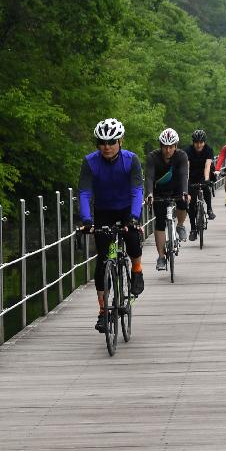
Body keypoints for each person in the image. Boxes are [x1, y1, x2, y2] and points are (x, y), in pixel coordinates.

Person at [79, 118, 144, 333]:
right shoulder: (90, 162)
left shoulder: (131, 160)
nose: (106, 147)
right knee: (103, 260)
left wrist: (134, 217)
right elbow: (85, 192)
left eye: (111, 142)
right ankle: (103, 312)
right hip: (104, 211)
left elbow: (137, 191)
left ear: (120, 141)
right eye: (102, 142)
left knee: (133, 239)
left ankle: (137, 270)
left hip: (127, 208)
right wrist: (87, 220)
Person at [145, 128, 189, 271]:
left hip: (177, 188)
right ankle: (161, 257)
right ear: (160, 146)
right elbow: (150, 177)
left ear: (176, 146)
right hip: (159, 192)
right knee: (159, 221)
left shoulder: (181, 156)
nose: (168, 150)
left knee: (183, 202)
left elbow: (183, 175)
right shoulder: (153, 157)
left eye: (171, 147)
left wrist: (184, 192)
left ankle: (180, 225)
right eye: (165, 146)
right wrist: (150, 194)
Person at [184, 129, 216, 242]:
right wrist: (186, 182)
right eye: (196, 142)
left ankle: (210, 209)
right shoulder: (188, 150)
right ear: (193, 142)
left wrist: (206, 180)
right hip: (192, 176)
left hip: (204, 174)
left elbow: (207, 166)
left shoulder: (208, 150)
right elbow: (186, 168)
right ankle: (193, 229)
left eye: (201, 142)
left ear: (204, 142)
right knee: (191, 203)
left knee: (206, 188)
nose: (198, 145)